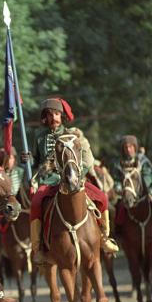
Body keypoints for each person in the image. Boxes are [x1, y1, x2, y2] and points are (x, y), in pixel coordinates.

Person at [21, 98, 119, 264]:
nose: (54, 118)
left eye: (57, 114)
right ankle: (38, 249)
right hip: (49, 181)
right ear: (45, 117)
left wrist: (78, 176)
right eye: (50, 114)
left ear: (62, 116)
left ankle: (104, 238)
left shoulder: (73, 135)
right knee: (36, 204)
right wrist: (27, 160)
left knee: (102, 197)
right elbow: (36, 162)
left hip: (73, 179)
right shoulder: (39, 137)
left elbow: (87, 161)